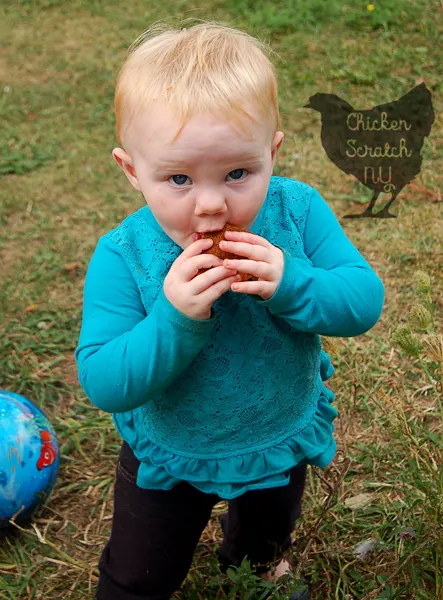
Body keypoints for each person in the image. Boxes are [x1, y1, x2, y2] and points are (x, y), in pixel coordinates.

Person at [74, 19, 385, 600]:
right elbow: (105, 380)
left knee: (267, 526)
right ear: (131, 170)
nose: (212, 204)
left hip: (276, 427)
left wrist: (293, 283)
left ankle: (255, 559)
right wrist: (174, 318)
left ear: (273, 152)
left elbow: (363, 302)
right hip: (173, 447)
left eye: (239, 173)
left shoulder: (297, 211)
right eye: (179, 178)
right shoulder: (126, 255)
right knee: (141, 571)